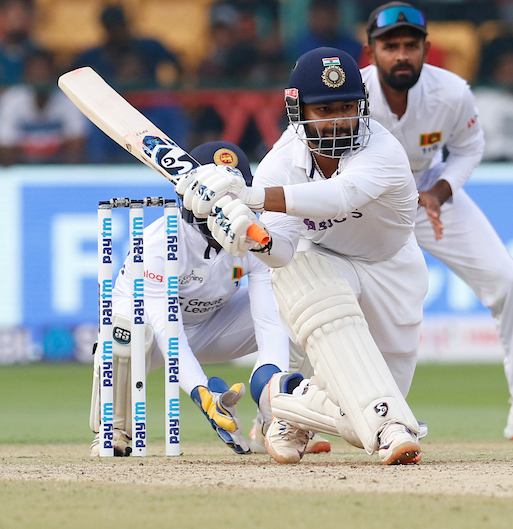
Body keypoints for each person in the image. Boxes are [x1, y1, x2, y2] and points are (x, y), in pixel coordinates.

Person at [177, 47, 429, 465]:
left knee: (375, 392)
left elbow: (339, 196)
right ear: (299, 110)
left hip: (391, 263)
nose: (338, 119)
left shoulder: (383, 150)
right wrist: (252, 238)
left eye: (348, 107)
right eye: (325, 108)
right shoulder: (281, 162)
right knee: (302, 272)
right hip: (324, 256)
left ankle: (288, 406)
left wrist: (252, 196)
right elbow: (281, 253)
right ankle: (388, 428)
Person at [358, 2, 513, 441]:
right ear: (371, 52)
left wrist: (439, 193)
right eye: (390, 47)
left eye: (410, 45)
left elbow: (468, 148)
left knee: (509, 281)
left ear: (426, 48)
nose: (401, 55)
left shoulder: (451, 92)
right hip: (367, 203)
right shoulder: (354, 93)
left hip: (428, 195)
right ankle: (289, 411)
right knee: (327, 294)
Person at [89, 142, 300, 457]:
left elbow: (270, 323)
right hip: (153, 339)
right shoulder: (160, 244)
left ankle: (276, 422)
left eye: (234, 196)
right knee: (124, 333)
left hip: (213, 326)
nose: (226, 208)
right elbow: (167, 330)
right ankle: (114, 431)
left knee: (297, 308)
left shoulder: (254, 238)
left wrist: (270, 388)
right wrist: (203, 395)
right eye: (216, 197)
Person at [0, 48, 87, 164]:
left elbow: (76, 146)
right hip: (21, 170)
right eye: (35, 70)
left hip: (58, 170)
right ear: (26, 74)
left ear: (53, 74)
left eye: (44, 70)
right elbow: (3, 147)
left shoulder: (68, 100)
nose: (40, 75)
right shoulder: (10, 100)